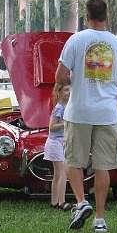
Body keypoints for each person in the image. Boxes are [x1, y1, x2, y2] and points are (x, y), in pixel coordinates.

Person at [56, 0, 117, 233]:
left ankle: (81, 202)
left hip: (78, 111)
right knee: (103, 166)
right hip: (107, 114)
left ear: (86, 17)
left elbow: (61, 75)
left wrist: (76, 80)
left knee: (73, 161)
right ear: (106, 16)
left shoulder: (76, 40)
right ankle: (100, 218)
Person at [44, 82, 71, 211]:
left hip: (59, 142)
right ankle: (62, 201)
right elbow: (52, 127)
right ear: (59, 92)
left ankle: (54, 201)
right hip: (56, 142)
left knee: (57, 174)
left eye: (69, 90)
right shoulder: (59, 108)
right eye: (66, 90)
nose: (69, 92)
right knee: (62, 173)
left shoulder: (65, 106)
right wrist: (66, 123)